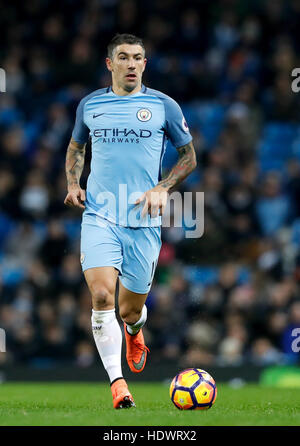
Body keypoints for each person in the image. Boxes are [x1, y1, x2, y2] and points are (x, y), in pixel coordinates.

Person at [64, 33, 197, 409]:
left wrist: (163, 187)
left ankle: (135, 330)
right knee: (102, 294)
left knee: (129, 310)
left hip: (143, 218)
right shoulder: (90, 106)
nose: (132, 64)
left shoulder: (163, 106)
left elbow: (189, 156)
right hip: (100, 215)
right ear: (110, 64)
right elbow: (76, 147)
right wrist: (74, 183)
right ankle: (118, 384)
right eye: (124, 57)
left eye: (138, 58)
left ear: (144, 64)